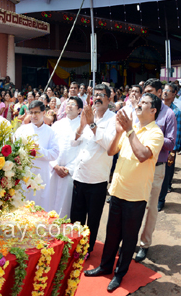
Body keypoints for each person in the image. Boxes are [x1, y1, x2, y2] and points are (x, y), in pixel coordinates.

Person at [85, 93, 164, 292]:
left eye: (144, 103)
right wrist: (121, 132)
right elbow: (111, 151)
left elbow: (143, 155)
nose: (139, 105)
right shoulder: (133, 128)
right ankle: (104, 267)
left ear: (153, 110)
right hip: (118, 190)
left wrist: (129, 131)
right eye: (139, 102)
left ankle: (119, 274)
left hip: (136, 195)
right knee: (112, 233)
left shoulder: (155, 133)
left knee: (128, 238)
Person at [69, 84, 116, 256]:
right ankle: (74, 245)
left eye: (101, 95)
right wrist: (82, 126)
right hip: (80, 175)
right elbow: (74, 142)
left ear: (109, 99)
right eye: (95, 95)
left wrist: (92, 124)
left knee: (93, 218)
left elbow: (110, 145)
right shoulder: (89, 115)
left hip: (97, 178)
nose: (97, 98)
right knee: (76, 214)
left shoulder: (113, 119)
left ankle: (87, 248)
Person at [134, 79, 176, 263]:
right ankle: (129, 240)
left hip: (156, 166)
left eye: (150, 91)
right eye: (144, 92)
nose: (145, 95)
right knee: (133, 204)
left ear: (160, 92)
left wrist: (154, 136)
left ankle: (144, 244)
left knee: (151, 207)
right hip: (136, 164)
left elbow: (171, 142)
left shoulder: (168, 115)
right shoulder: (140, 111)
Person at [14, 100, 59, 210]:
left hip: (41, 175)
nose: (34, 115)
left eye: (37, 112)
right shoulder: (22, 130)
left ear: (44, 113)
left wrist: (38, 150)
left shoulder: (51, 132)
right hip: (23, 174)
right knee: (22, 207)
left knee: (40, 206)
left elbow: (54, 154)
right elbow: (14, 151)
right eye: (31, 112)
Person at [48, 96, 82, 217]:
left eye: (73, 104)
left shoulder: (83, 126)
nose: (69, 106)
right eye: (68, 103)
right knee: (50, 201)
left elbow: (82, 151)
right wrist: (55, 165)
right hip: (54, 168)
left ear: (79, 110)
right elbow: (50, 146)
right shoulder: (57, 124)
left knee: (66, 206)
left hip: (70, 172)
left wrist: (69, 169)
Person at [158, 83, 181, 211]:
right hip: (157, 147)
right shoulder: (157, 108)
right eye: (164, 90)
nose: (165, 92)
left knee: (166, 174)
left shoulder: (176, 111)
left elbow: (177, 133)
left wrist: (173, 151)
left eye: (169, 91)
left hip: (168, 147)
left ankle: (161, 200)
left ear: (174, 94)